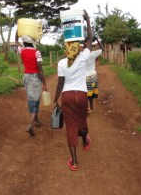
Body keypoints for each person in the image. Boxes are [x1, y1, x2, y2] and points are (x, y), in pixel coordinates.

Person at [53, 9, 93, 171]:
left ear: (66, 48)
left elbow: (60, 84)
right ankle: (85, 141)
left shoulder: (62, 63)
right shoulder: (83, 57)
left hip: (68, 97)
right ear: (78, 47)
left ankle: (74, 162)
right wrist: (88, 20)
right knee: (82, 121)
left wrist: (56, 99)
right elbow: (90, 39)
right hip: (82, 96)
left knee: (71, 126)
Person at [14, 31, 47, 137]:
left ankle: (37, 121)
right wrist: (44, 83)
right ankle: (31, 124)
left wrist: (17, 31)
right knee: (36, 101)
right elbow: (40, 69)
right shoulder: (37, 52)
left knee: (31, 99)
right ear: (32, 42)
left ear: (24, 43)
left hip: (26, 77)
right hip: (35, 78)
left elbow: (15, 41)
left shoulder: (22, 51)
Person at [83, 36, 104, 113]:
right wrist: (98, 39)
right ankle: (91, 108)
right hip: (93, 75)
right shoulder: (93, 53)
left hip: (86, 76)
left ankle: (87, 108)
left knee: (86, 94)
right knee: (90, 94)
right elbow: (103, 49)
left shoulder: (82, 54)